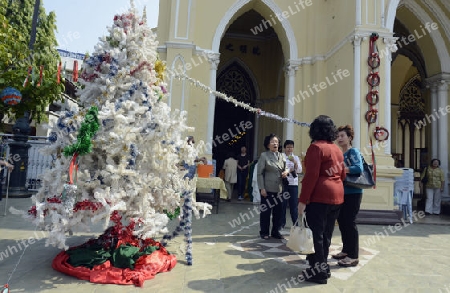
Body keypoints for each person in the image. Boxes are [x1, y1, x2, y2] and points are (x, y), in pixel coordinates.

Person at [297, 115, 346, 284]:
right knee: (326, 234)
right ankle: (322, 266)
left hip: (320, 196)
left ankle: (319, 272)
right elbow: (343, 174)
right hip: (337, 195)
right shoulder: (337, 149)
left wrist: (303, 200)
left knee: (316, 234)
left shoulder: (315, 148)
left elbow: (311, 176)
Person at [332, 124, 363, 267]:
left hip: (353, 193)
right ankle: (345, 250)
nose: (339, 138)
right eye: (338, 136)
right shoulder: (340, 154)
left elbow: (358, 168)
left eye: (342, 136)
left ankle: (353, 256)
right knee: (343, 223)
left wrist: (342, 169)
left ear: (350, 138)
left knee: (350, 223)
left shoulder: (353, 152)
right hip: (342, 193)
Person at [257, 134, 289, 240]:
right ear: (268, 144)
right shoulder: (264, 156)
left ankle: (276, 231)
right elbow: (260, 173)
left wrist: (287, 171)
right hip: (267, 189)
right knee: (265, 212)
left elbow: (287, 167)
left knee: (278, 212)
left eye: (276, 141)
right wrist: (262, 188)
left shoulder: (282, 156)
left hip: (279, 189)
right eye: (272, 141)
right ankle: (264, 232)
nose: (275, 143)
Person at [279, 140, 302, 231]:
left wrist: (295, 163)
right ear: (284, 148)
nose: (290, 149)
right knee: (283, 204)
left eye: (291, 147)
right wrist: (288, 170)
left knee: (293, 205)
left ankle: (295, 224)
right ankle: (281, 223)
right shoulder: (281, 156)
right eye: (288, 147)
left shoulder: (295, 157)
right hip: (284, 184)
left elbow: (299, 170)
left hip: (293, 184)